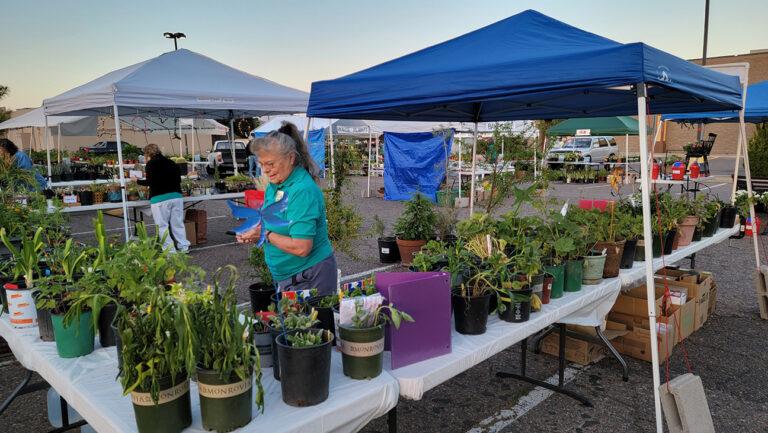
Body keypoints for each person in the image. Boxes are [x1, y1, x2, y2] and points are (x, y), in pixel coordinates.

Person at [236, 122, 337, 295]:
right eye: (261, 164)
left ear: (291, 158)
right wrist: (255, 231)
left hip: (309, 276)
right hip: (287, 276)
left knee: (310, 322)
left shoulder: (301, 190)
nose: (266, 170)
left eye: (271, 164)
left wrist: (265, 233)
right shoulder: (276, 185)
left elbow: (301, 247)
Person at [133, 144, 190, 253]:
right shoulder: (171, 162)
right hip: (176, 196)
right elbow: (178, 179)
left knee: (162, 226)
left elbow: (149, 182)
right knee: (177, 224)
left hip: (159, 198)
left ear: (148, 154)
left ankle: (170, 250)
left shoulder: (151, 164)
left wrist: (137, 180)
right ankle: (184, 247)